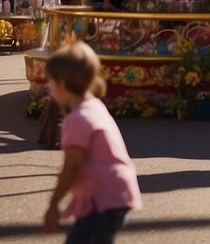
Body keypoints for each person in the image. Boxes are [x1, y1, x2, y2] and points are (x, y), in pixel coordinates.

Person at [44, 42, 142, 243]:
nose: (48, 86)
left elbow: (72, 167)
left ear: (61, 84)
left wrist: (54, 203)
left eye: (50, 81)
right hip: (115, 193)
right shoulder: (93, 105)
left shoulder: (77, 119)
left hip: (103, 198)